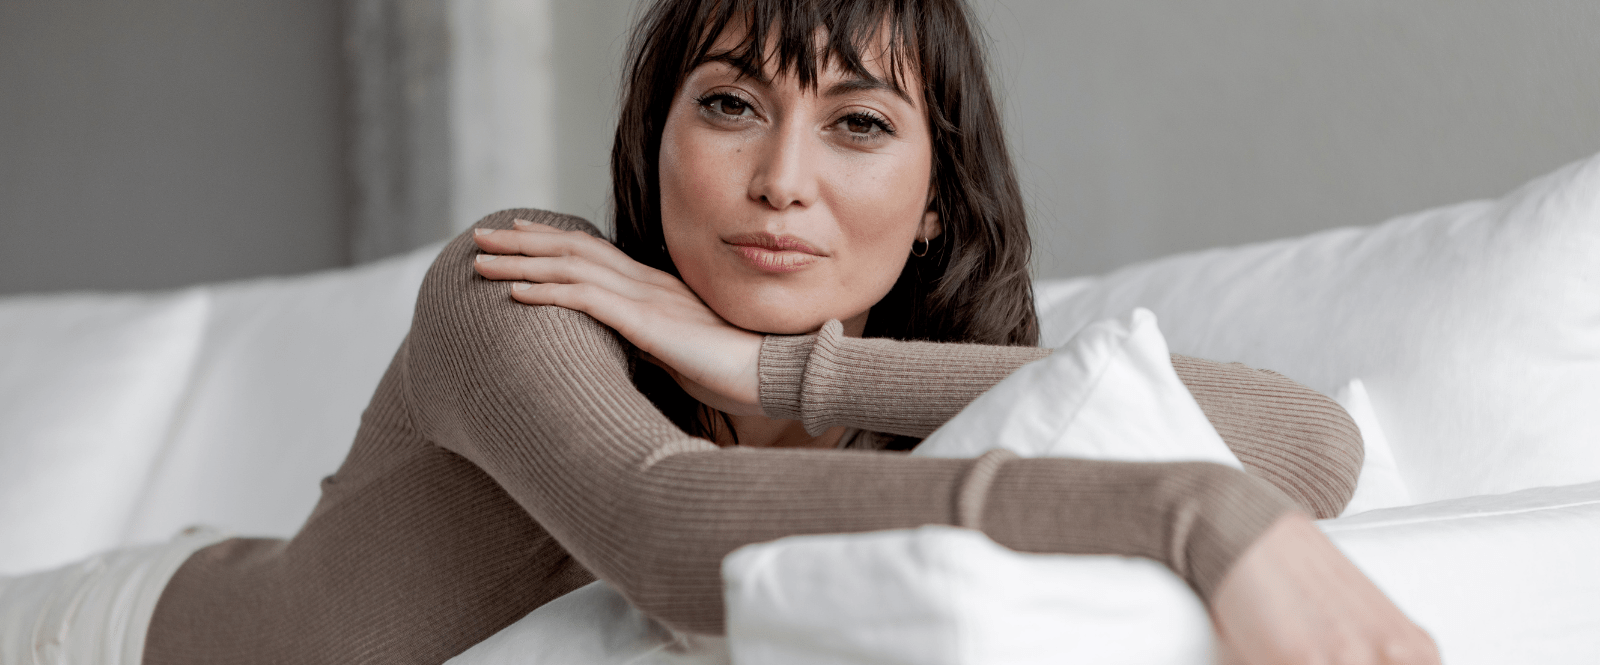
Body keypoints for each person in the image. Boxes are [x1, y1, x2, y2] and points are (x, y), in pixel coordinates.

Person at [10, 0, 1436, 664]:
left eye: (858, 124)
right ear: (657, 138)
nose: (782, 180)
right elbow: (664, 524)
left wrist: (780, 370)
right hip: (93, 636)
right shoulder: (525, 281)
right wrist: (1189, 513)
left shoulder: (908, 385)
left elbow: (1312, 444)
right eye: (732, 105)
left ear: (934, 206)